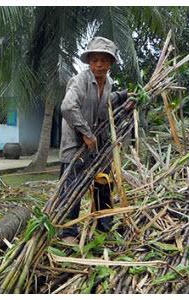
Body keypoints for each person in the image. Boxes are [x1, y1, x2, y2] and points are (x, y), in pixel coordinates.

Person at [59, 37, 134, 244]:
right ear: (89, 62)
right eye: (94, 60)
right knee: (72, 189)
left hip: (98, 145)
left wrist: (123, 97)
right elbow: (67, 107)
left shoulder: (108, 83)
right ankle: (68, 232)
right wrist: (86, 132)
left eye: (103, 60)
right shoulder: (80, 81)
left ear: (110, 63)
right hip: (75, 144)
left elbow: (105, 103)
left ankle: (104, 227)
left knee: (103, 184)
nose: (98, 64)